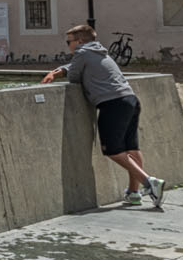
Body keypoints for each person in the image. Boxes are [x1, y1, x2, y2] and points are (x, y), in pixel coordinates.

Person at [43, 23, 163, 210]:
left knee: (113, 150)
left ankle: (149, 182)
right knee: (131, 147)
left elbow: (74, 78)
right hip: (130, 100)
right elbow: (80, 64)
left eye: (69, 42)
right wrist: (62, 69)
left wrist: (64, 71)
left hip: (112, 104)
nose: (68, 45)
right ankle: (133, 193)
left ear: (80, 41)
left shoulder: (81, 53)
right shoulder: (99, 51)